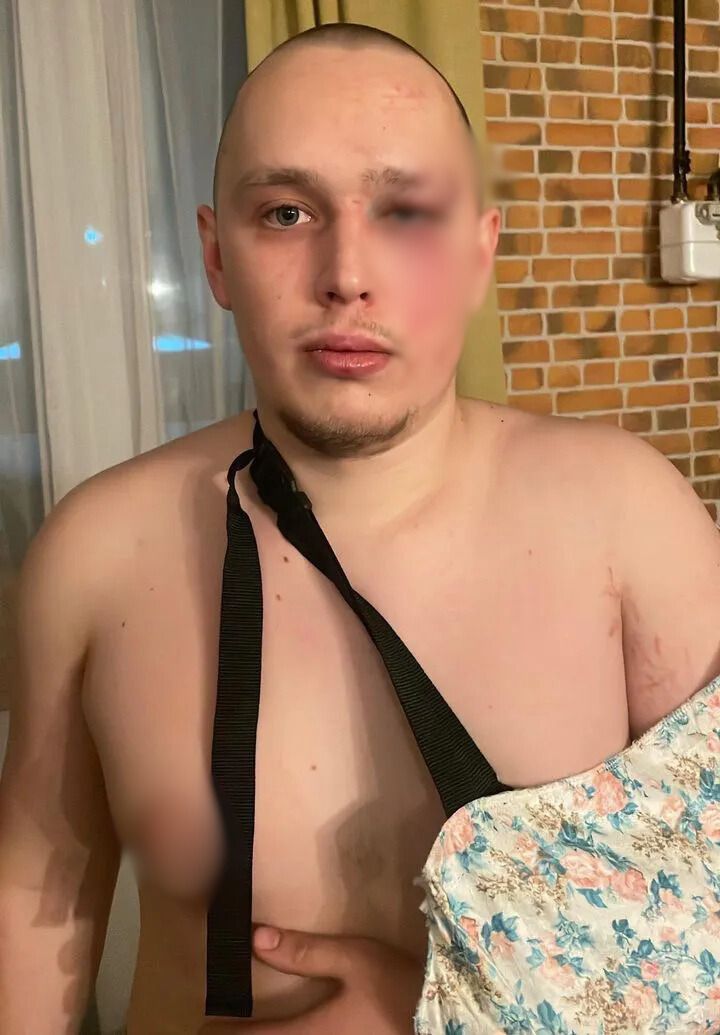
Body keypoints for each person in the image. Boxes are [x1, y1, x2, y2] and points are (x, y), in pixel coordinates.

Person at [2, 20, 720, 1035]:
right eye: (287, 212)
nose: (347, 273)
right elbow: (35, 905)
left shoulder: (629, 521)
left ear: (478, 255)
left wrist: (462, 1011)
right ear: (215, 256)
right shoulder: (94, 556)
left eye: (406, 213)